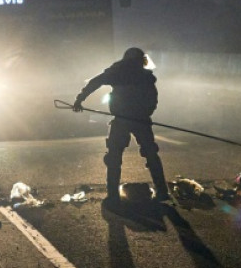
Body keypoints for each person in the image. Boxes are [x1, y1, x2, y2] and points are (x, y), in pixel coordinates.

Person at [73, 47, 170, 203]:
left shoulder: (117, 71)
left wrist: (80, 99)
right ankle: (162, 191)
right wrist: (147, 113)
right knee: (151, 154)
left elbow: (95, 82)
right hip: (141, 120)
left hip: (122, 120)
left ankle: (113, 194)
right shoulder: (145, 75)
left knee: (114, 156)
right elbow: (153, 98)